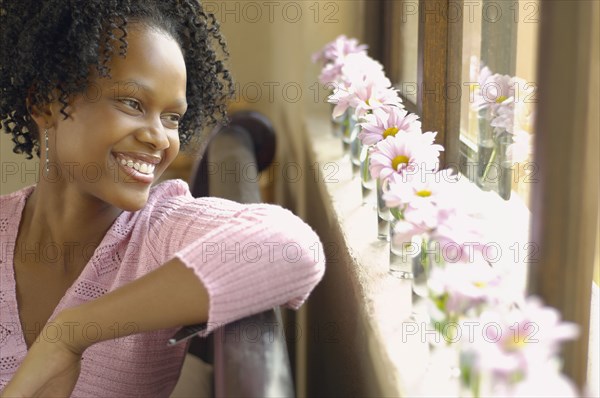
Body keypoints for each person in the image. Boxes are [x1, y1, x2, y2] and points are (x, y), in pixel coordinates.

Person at [0, 1, 325, 396]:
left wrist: (70, 333)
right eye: (132, 103)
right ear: (44, 103)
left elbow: (293, 248)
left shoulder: (159, 233)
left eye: (172, 117)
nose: (158, 137)